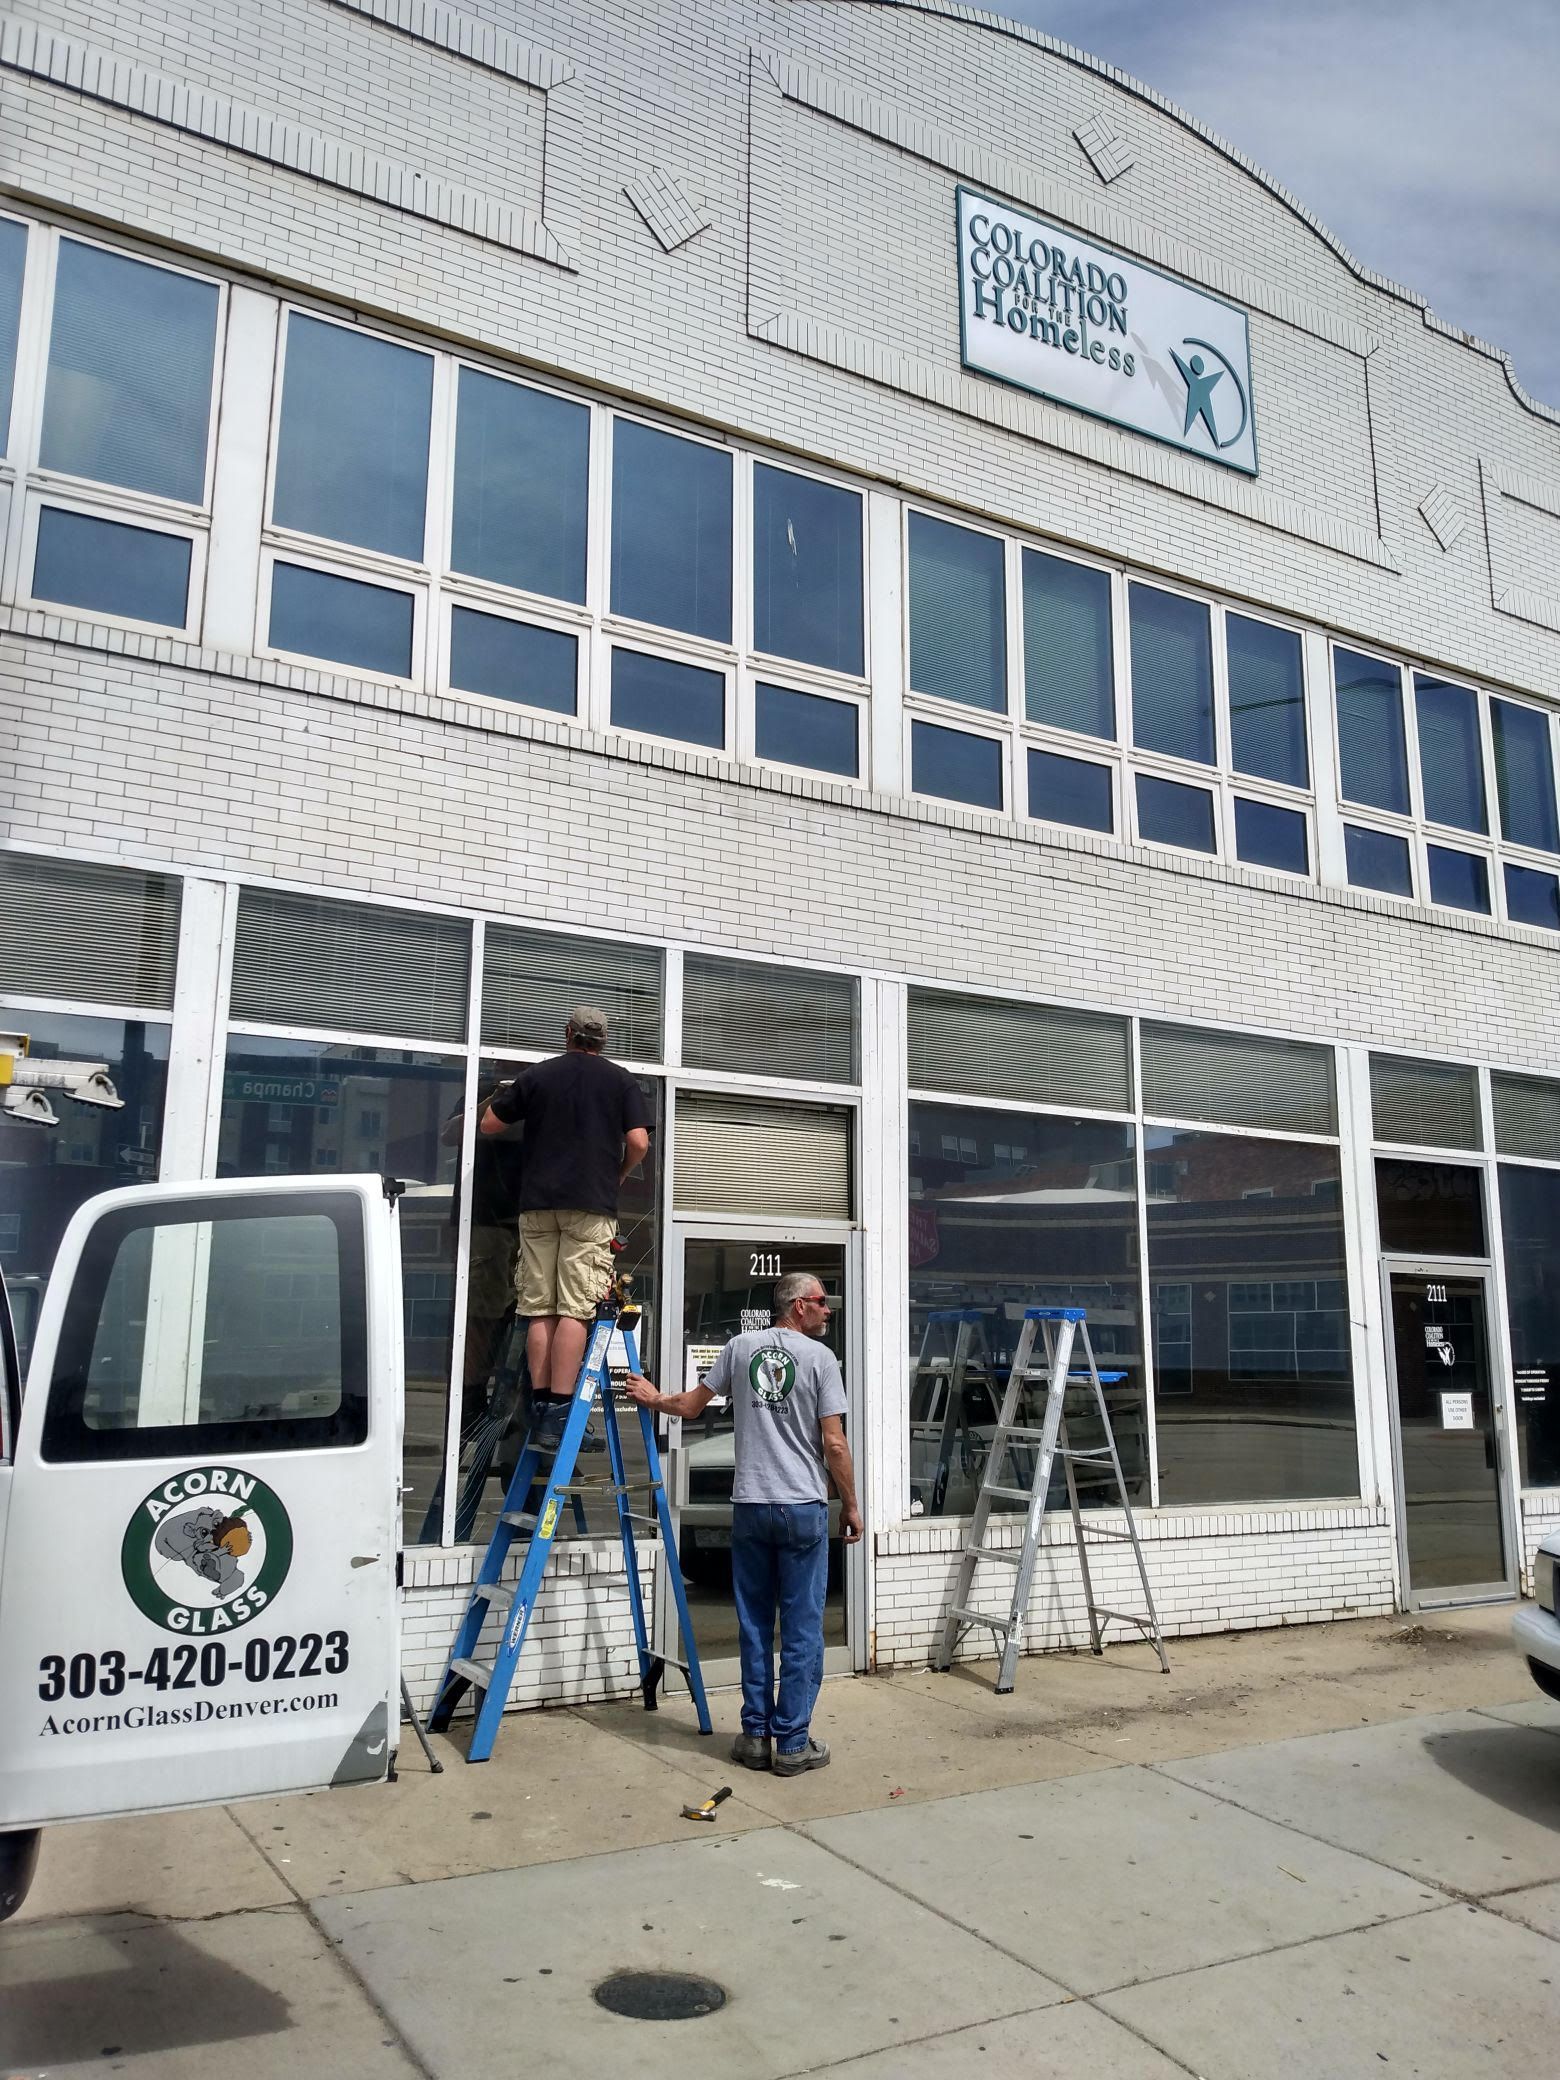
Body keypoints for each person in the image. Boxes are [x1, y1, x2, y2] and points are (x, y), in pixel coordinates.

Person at [626, 1271, 862, 1776]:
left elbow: (689, 1407)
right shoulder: (821, 1360)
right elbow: (835, 1444)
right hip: (801, 1508)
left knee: (754, 1624)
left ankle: (755, 1736)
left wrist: (652, 1398)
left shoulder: (739, 1347)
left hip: (751, 1506)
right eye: (821, 1302)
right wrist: (851, 1504)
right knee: (800, 1629)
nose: (828, 1310)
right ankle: (792, 1743)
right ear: (797, 1306)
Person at [480, 1006, 650, 1439]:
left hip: (536, 1205)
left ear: (568, 1033)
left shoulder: (539, 1076)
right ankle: (559, 1410)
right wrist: (621, 1173)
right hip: (590, 1206)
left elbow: (489, 1124)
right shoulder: (620, 1080)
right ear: (603, 1041)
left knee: (539, 1307)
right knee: (575, 1308)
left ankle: (538, 1402)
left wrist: (503, 1093)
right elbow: (638, 1141)